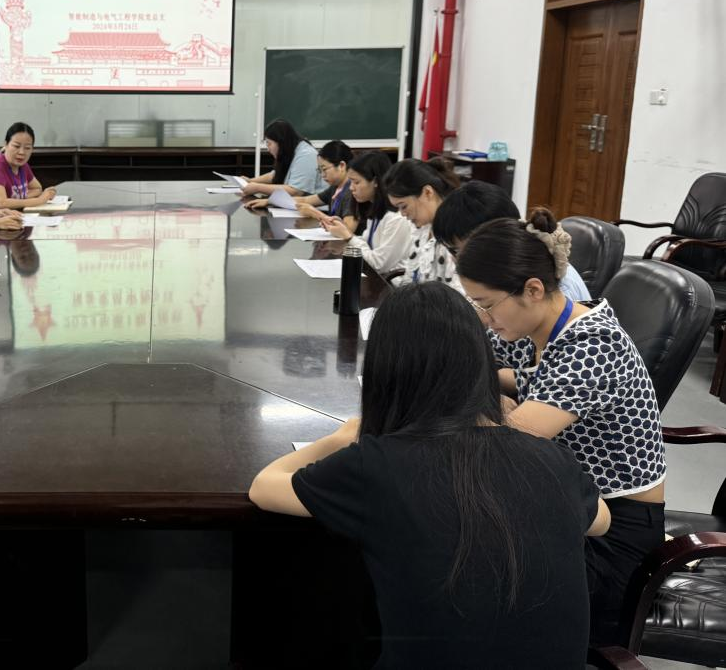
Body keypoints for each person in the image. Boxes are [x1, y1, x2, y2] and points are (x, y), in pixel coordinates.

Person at [249, 281, 609, 668]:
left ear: (387, 371)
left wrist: (337, 439)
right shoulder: (551, 458)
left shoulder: (377, 464)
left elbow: (263, 487)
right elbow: (601, 520)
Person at [456, 209, 664, 645]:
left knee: (460, 573)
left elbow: (508, 443)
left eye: (487, 305)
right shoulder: (538, 327)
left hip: (614, 537)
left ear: (532, 289)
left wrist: (483, 402)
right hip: (569, 506)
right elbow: (480, 359)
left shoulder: (593, 345)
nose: (485, 318)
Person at [432, 180, 591, 302]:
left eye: (460, 252)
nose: (456, 260)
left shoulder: (552, 290)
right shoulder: (512, 271)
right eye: (452, 250)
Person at [317, 150, 413, 275]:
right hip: (373, 276)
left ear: (376, 182)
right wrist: (342, 230)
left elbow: (378, 265)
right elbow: (367, 244)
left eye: (356, 182)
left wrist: (348, 236)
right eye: (350, 182)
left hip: (390, 283)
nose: (351, 188)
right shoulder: (374, 209)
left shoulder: (396, 218)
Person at [382, 157, 461, 288]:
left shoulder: (457, 235)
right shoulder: (422, 229)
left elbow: (459, 295)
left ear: (427, 192)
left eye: (403, 206)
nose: (402, 214)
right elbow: (411, 276)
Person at [245, 140, 355, 223]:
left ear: (341, 166)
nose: (322, 175)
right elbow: (305, 200)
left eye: (324, 169)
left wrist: (316, 214)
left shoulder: (351, 191)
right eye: (320, 171)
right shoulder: (335, 188)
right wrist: (269, 201)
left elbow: (347, 230)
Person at [0, 122, 58, 213]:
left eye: (27, 148)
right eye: (16, 146)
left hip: (13, 214)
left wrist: (17, 199)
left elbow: (37, 189)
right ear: (6, 144)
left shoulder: (23, 165)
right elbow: (1, 203)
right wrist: (39, 200)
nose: (21, 152)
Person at [240, 118, 328, 197]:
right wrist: (250, 181)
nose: (268, 148)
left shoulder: (306, 155)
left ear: (281, 142)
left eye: (269, 143)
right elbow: (277, 174)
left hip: (316, 208)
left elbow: (296, 191)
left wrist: (258, 188)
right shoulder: (291, 150)